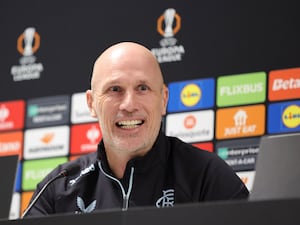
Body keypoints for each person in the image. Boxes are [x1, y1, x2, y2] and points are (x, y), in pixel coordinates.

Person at [23, 41, 249, 217]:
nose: (129, 105)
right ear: (91, 103)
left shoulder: (206, 175)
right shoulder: (58, 187)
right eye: (115, 89)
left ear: (163, 99)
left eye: (142, 88)